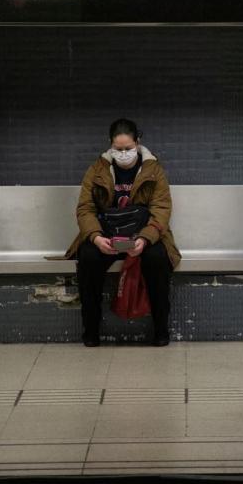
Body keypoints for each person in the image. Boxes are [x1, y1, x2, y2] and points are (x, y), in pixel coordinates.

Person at [64, 119, 182, 347]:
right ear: (110, 145)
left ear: (138, 143)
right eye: (118, 149)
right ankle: (91, 330)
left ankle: (161, 329)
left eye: (128, 148)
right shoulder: (97, 170)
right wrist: (96, 237)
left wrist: (144, 239)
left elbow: (161, 210)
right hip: (106, 235)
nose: (124, 154)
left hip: (143, 235)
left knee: (158, 258)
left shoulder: (153, 170)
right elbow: (85, 209)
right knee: (88, 257)